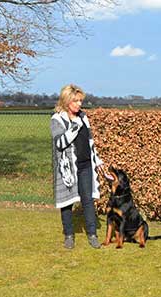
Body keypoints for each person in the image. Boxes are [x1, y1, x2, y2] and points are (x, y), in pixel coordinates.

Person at [50, 84, 108, 249]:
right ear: (67, 101)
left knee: (88, 200)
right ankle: (69, 235)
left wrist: (98, 160)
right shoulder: (57, 119)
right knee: (66, 203)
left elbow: (90, 142)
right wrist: (74, 126)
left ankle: (92, 234)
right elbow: (60, 143)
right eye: (76, 101)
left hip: (85, 165)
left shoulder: (84, 116)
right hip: (67, 168)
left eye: (80, 101)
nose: (79, 104)